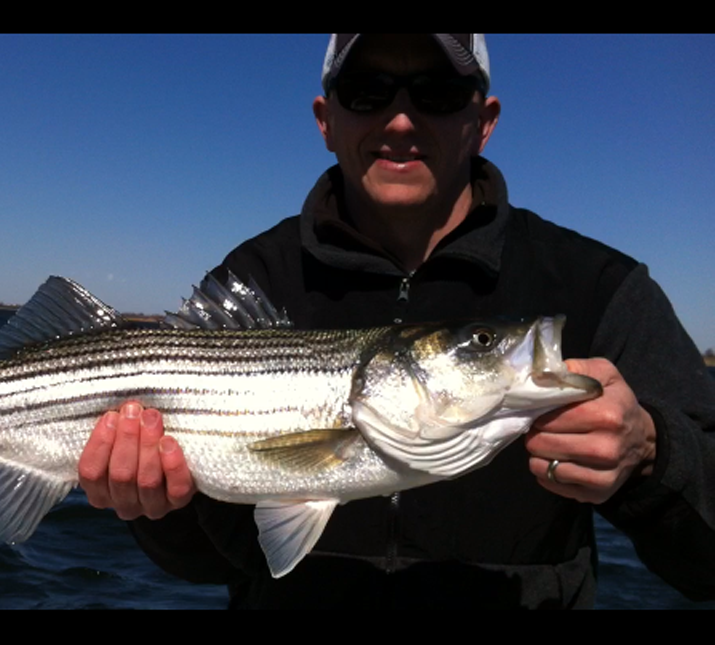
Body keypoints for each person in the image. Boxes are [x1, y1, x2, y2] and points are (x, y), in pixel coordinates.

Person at [77, 34, 715, 608]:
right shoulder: (256, 274)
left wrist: (652, 457)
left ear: (483, 120)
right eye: (367, 91)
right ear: (327, 120)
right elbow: (214, 564)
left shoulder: (596, 287)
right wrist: (157, 509)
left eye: (438, 92)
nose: (401, 119)